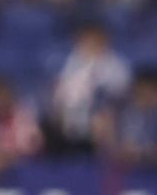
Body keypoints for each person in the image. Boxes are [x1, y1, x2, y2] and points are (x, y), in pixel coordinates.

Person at [46, 20, 130, 156]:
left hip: (103, 117)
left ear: (103, 40)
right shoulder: (70, 62)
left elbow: (118, 96)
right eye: (85, 39)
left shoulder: (116, 66)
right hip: (72, 117)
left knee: (102, 117)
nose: (89, 44)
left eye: (93, 39)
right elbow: (60, 93)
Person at [98, 66, 157, 169]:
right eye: (154, 89)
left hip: (153, 170)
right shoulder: (117, 110)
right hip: (120, 170)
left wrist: (146, 153)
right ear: (140, 89)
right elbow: (108, 145)